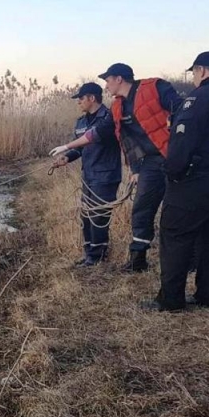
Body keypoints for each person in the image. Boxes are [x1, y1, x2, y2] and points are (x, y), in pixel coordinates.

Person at [50, 63, 183, 271]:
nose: (106, 85)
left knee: (179, 210)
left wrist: (184, 144)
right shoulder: (116, 109)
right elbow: (125, 141)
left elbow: (182, 112)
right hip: (143, 164)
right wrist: (67, 152)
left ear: (119, 79)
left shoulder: (155, 89)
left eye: (108, 80)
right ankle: (135, 260)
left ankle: (190, 260)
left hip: (172, 157)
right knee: (138, 210)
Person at [149, 51, 209, 311]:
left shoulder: (199, 98)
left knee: (176, 235)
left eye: (194, 73)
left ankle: (171, 300)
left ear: (201, 70)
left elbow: (182, 140)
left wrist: (173, 172)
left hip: (196, 180)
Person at [52, 82, 122, 266]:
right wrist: (66, 158)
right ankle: (90, 253)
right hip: (88, 175)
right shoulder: (81, 122)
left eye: (81, 98)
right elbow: (80, 147)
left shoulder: (109, 118)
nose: (78, 102)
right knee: (86, 214)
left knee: (98, 215)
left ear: (92, 98)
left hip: (105, 175)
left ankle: (98, 256)